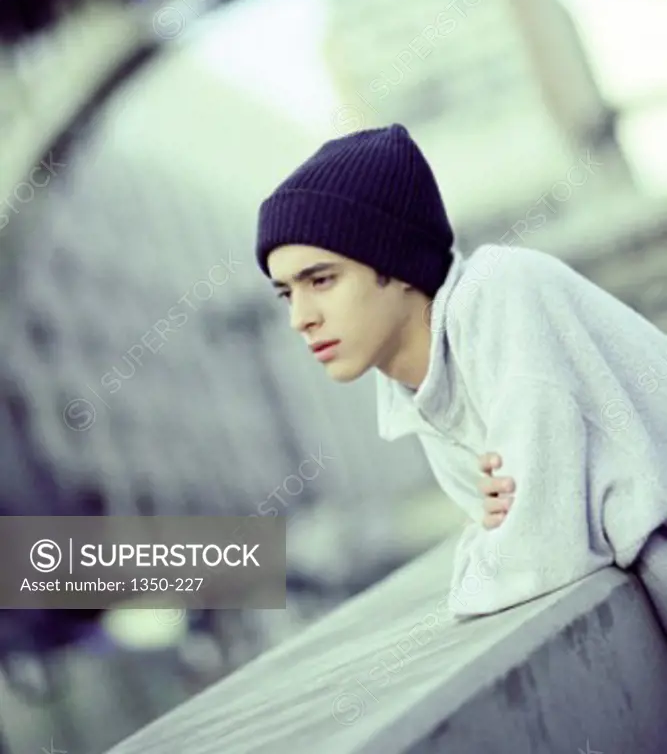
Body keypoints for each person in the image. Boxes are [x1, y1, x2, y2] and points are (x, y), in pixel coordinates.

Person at [254, 123, 667, 621]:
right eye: (286, 293)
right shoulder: (420, 388)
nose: (300, 317)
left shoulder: (497, 293)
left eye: (321, 280)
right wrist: (496, 534)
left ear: (397, 264)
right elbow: (508, 532)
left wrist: (487, 549)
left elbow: (538, 557)